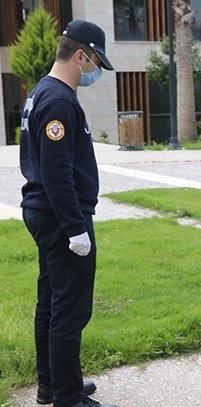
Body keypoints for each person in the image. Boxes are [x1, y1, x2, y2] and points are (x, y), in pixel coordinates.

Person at [19, 20, 117, 407]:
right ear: (80, 55)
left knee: (52, 302)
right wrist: (77, 229)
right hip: (62, 218)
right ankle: (68, 397)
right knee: (70, 311)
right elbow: (58, 174)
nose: (94, 70)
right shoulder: (59, 100)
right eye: (94, 61)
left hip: (45, 214)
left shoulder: (41, 92)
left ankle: (53, 384)